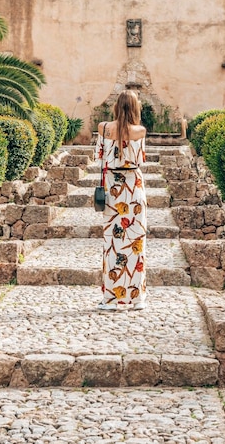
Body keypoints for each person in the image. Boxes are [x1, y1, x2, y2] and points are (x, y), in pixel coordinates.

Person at [95, 90, 147, 312]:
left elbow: (99, 156)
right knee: (136, 244)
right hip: (133, 189)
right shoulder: (140, 131)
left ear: (116, 106)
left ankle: (110, 299)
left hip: (113, 190)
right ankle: (137, 299)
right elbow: (140, 159)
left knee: (112, 245)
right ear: (135, 108)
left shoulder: (103, 128)